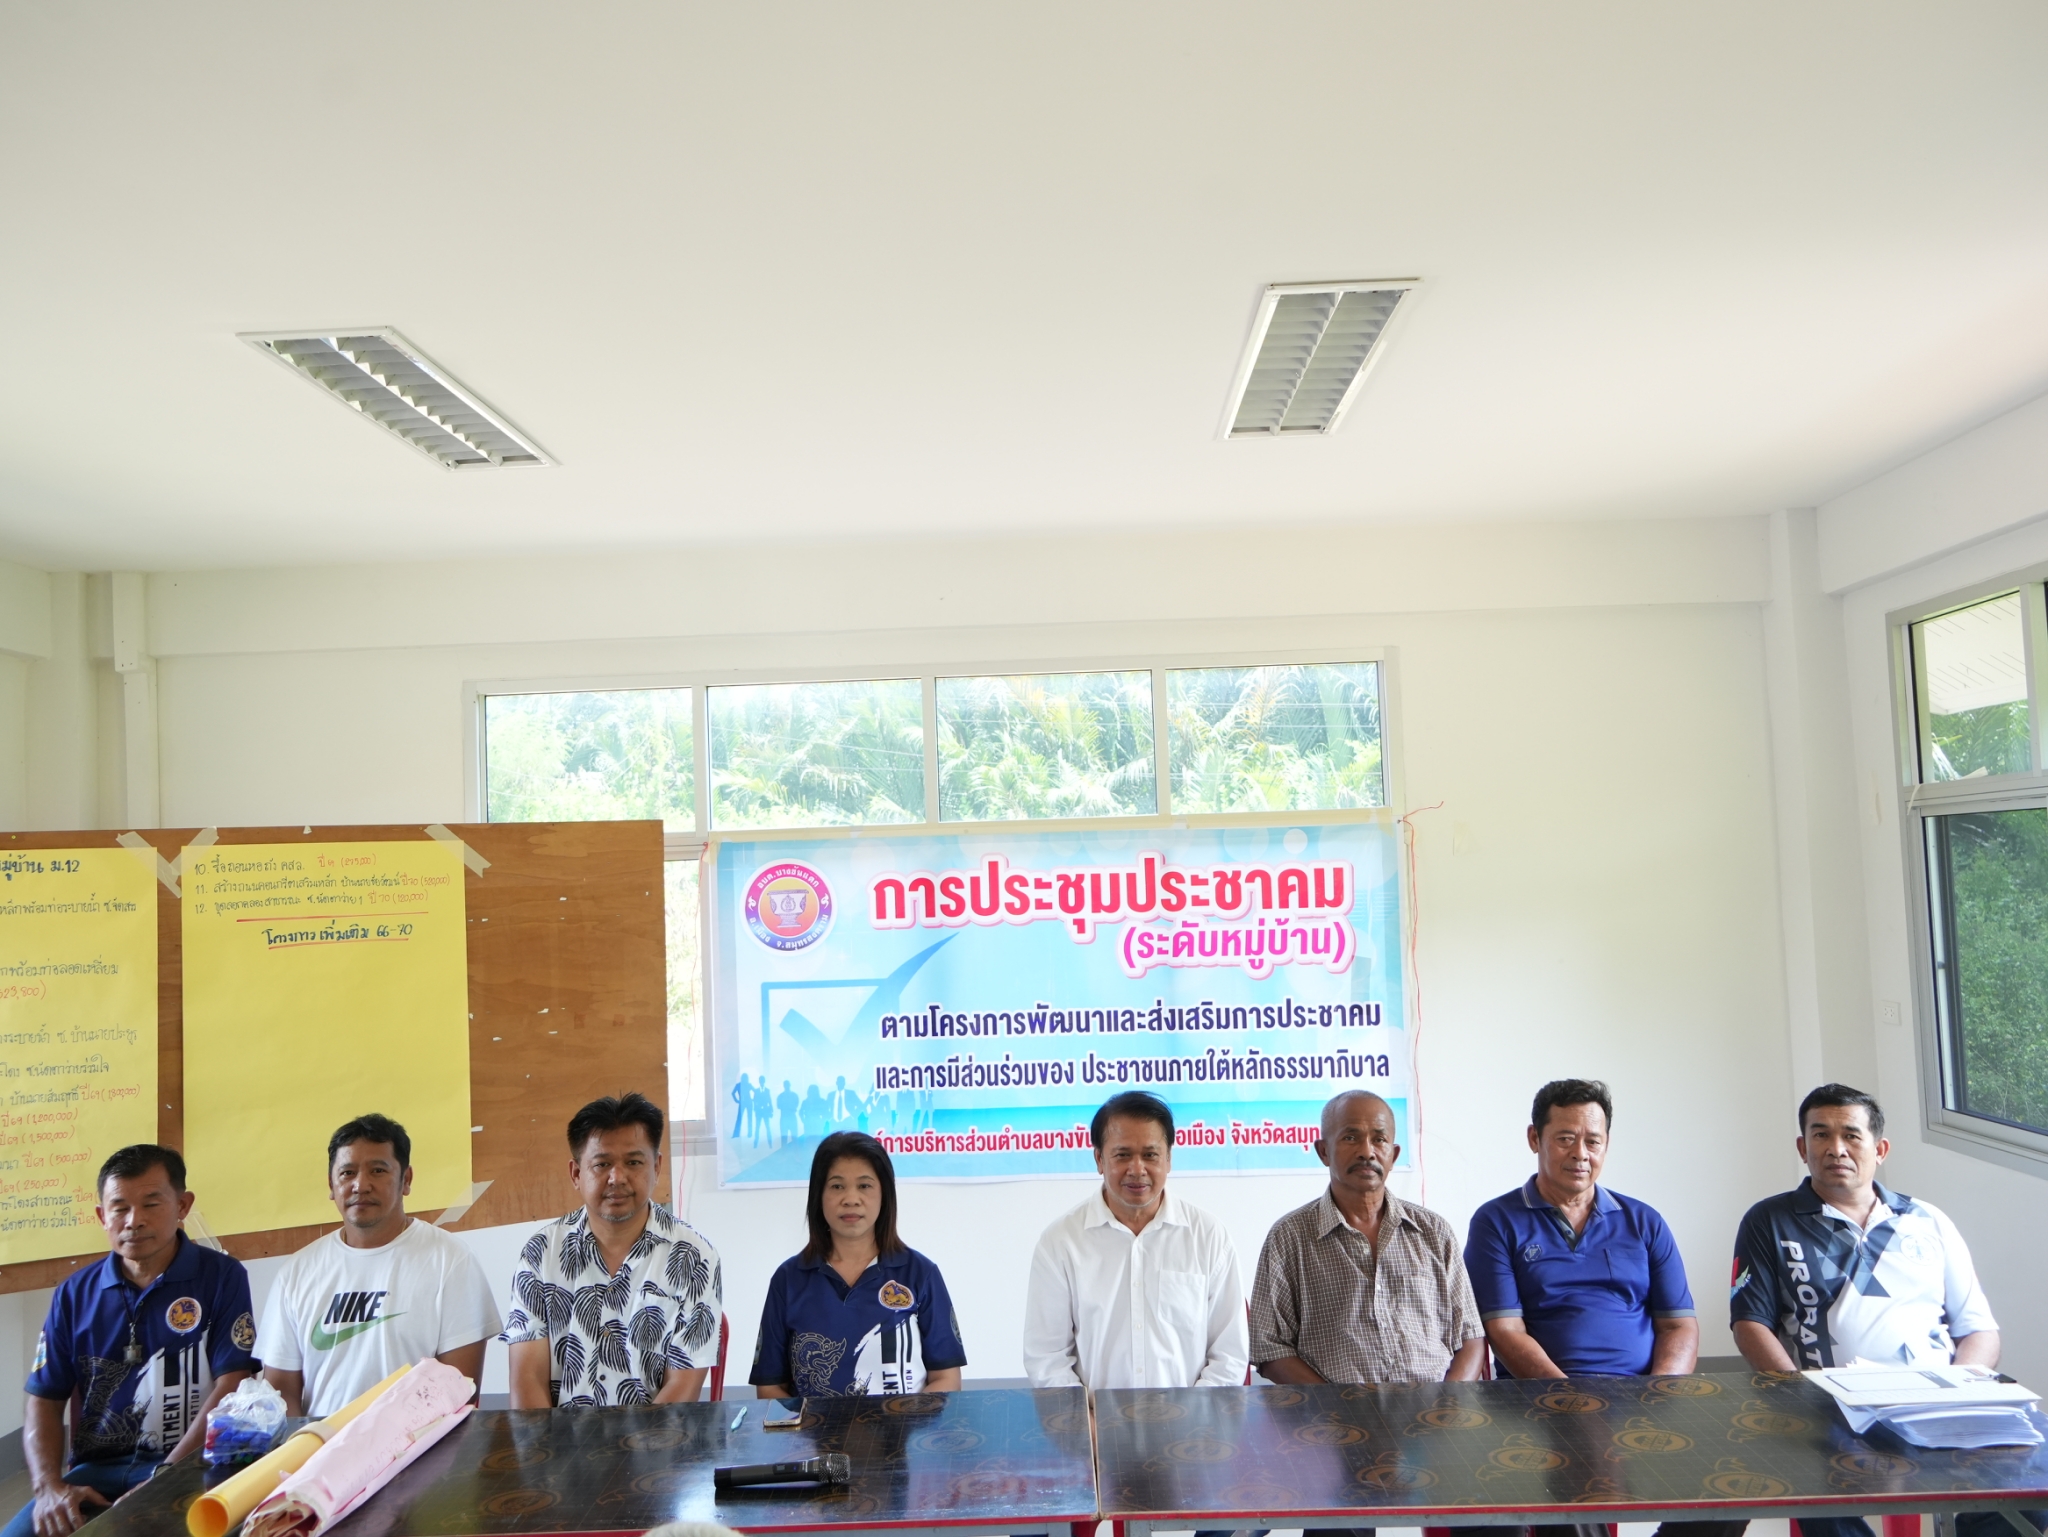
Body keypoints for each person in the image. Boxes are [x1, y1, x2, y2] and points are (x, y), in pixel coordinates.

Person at [1730, 1084, 2041, 1537]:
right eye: (1821, 1135)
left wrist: (1956, 1389)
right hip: (1830, 1406)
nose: (1836, 1148)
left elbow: (1979, 1330)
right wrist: (1799, 1395)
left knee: (2034, 1476)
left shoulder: (1927, 1220)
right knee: (1815, 1490)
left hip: (1936, 1400)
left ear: (1880, 1149)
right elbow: (1750, 1323)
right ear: (1802, 1147)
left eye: (1851, 1135)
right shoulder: (1771, 1220)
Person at [1464, 1080, 1734, 1537]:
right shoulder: (1497, 1221)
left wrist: (1661, 1391)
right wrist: (1573, 1400)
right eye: (1565, 1139)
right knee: (1579, 1458)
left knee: (1734, 1473)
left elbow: (1679, 1326)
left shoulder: (1643, 1221)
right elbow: (1505, 1331)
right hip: (1542, 1399)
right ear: (1535, 1138)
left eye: (1593, 1141)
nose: (1580, 1154)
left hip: (1640, 1395)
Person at [3, 1146, 256, 1537]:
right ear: (102, 1216)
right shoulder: (74, 1293)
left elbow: (233, 1383)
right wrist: (48, 1487)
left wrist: (166, 1475)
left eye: (151, 1204)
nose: (134, 1221)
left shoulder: (222, 1277)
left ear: (182, 1205)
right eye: (119, 1208)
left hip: (191, 1467)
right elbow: (44, 1399)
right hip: (96, 1472)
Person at [255, 1113, 502, 1417]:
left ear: (406, 1180)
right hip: (322, 1446)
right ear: (331, 1184)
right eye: (347, 1173)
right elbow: (281, 1392)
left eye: (378, 1170)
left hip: (420, 1444)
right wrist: (314, 1445)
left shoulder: (450, 1261)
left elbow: (460, 1390)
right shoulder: (295, 1273)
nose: (361, 1185)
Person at [1252, 1090, 1485, 1387]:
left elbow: (1470, 1337)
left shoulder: (1434, 1232)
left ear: (1394, 1155)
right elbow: (1270, 1348)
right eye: (1350, 1138)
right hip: (1333, 1412)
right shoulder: (1289, 1237)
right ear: (1323, 1151)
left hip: (1434, 1408)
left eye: (1379, 1139)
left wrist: (1447, 1404)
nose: (1367, 1152)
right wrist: (1338, 1405)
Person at [503, 1092, 722, 1407]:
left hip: (657, 1436)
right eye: (602, 1164)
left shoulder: (695, 1257)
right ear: (576, 1174)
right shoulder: (541, 1253)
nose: (617, 1178)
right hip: (560, 1438)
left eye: (633, 1162)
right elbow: (527, 1382)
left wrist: (637, 1442)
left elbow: (682, 1388)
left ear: (657, 1167)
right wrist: (551, 1442)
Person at [1022, 1091, 1247, 1391]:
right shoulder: (1061, 1242)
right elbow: (1046, 1357)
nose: (1137, 1169)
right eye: (1123, 1155)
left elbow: (1230, 1354)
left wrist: (1195, 1413)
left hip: (1192, 1417)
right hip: (1095, 1418)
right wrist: (1084, 1414)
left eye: (1150, 1155)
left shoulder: (1208, 1236)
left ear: (1169, 1159)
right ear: (1099, 1159)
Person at [750, 1131, 965, 1397]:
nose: (851, 1199)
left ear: (884, 1194)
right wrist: (808, 1425)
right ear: (818, 1195)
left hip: (902, 1425)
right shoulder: (788, 1279)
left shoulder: (920, 1273)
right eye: (837, 1186)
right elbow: (770, 1387)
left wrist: (904, 1420)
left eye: (864, 1185)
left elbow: (947, 1379)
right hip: (811, 1426)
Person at [776, 1080, 800, 1146]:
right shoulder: (781, 1096)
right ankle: (785, 1150)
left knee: (794, 1137)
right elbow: (778, 1106)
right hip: (785, 1118)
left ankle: (796, 1149)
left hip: (791, 1117)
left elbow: (796, 1103)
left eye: (787, 1085)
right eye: (786, 1085)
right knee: (784, 1138)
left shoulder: (793, 1095)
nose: (787, 1086)